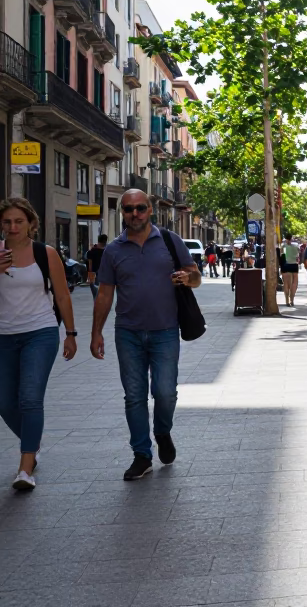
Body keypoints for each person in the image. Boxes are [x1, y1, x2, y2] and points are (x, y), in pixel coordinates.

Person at [90, 190, 201, 481]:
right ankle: (141, 455)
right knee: (134, 396)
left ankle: (162, 432)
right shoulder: (113, 250)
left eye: (140, 208)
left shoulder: (168, 240)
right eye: (129, 209)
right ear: (122, 213)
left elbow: (196, 275)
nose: (135, 214)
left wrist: (188, 278)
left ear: (149, 210)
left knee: (165, 392)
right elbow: (104, 293)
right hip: (127, 333)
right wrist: (95, 332)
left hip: (165, 331)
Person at [0, 198, 77, 491]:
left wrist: (70, 333)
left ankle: (25, 467)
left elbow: (62, 296)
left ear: (31, 223)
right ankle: (34, 440)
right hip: (3, 335)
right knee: (5, 402)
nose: (13, 227)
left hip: (40, 333)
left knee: (29, 398)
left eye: (19, 221)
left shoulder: (44, 253)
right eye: (7, 221)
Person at [279, 234, 300, 307]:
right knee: (294, 283)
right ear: (291, 238)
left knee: (286, 284)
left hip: (286, 265)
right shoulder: (296, 245)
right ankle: (292, 300)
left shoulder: (283, 246)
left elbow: (281, 256)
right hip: (294, 265)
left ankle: (287, 301)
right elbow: (298, 255)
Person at [86, 234, 107, 300]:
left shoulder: (92, 251)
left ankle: (97, 307)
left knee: (95, 296)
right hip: (105, 275)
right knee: (103, 295)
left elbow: (90, 264)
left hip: (94, 274)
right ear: (105, 241)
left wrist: (90, 276)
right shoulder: (107, 251)